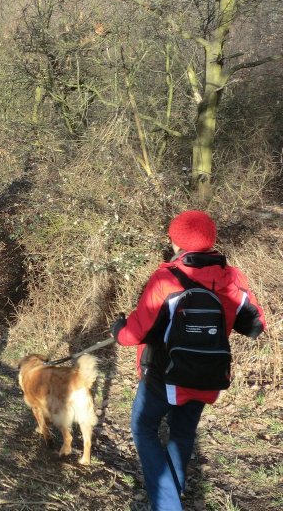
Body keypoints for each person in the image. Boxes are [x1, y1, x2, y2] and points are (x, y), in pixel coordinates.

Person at [110, 210, 266, 511]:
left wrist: (118, 329)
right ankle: (172, 493)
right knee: (182, 433)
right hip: (208, 375)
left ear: (175, 241)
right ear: (211, 241)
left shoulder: (166, 279)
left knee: (143, 429)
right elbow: (255, 326)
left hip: (163, 376)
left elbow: (135, 333)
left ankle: (168, 505)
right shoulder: (231, 278)